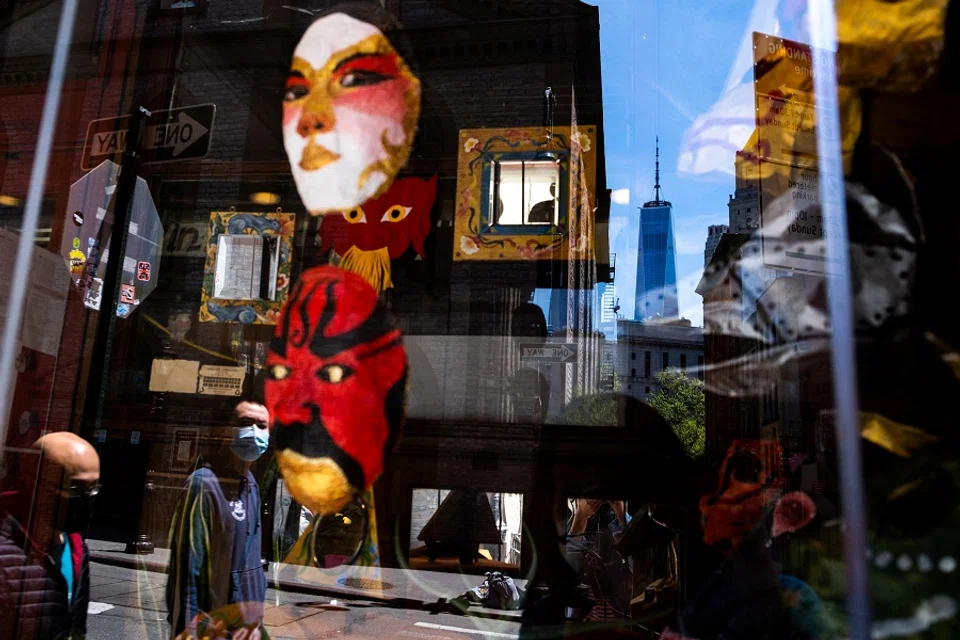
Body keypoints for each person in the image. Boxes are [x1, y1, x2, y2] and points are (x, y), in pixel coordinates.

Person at [165, 402, 270, 640]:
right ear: (224, 431)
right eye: (245, 423)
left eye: (261, 425)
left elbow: (249, 566)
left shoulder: (251, 485)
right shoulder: (203, 485)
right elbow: (188, 575)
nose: (254, 432)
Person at [0, 431, 100, 640]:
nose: (86, 499)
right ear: (34, 483)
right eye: (76, 488)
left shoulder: (78, 549)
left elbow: (76, 626)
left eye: (93, 489)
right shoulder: (6, 551)